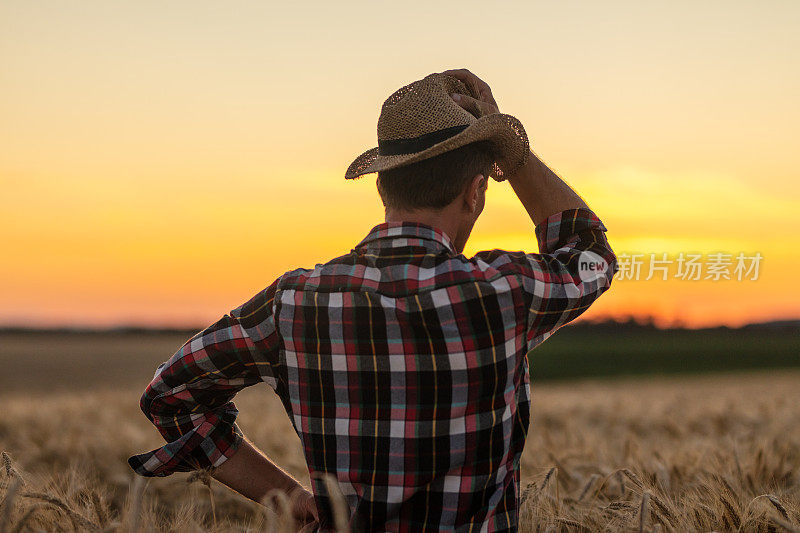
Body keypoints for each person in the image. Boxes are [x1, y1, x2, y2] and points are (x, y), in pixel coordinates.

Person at [128, 69, 617, 532]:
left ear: (382, 185)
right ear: (475, 193)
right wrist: (514, 154)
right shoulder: (504, 291)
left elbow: (171, 398)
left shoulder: (294, 302)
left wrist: (288, 496)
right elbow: (590, 255)